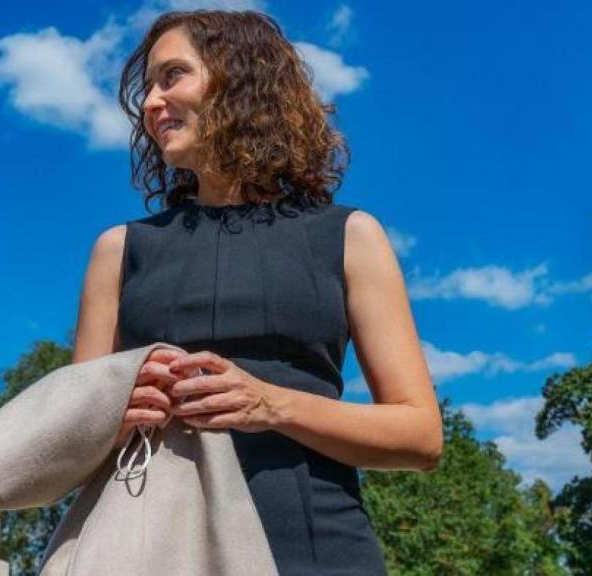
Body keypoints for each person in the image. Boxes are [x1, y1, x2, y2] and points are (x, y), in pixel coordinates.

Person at [70, 10, 443, 576]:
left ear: (240, 80)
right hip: (153, 550)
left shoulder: (351, 236)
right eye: (148, 86)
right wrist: (114, 415)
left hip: (317, 550)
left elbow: (420, 436)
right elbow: (70, 435)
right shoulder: (119, 250)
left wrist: (270, 404)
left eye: (171, 76)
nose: (149, 103)